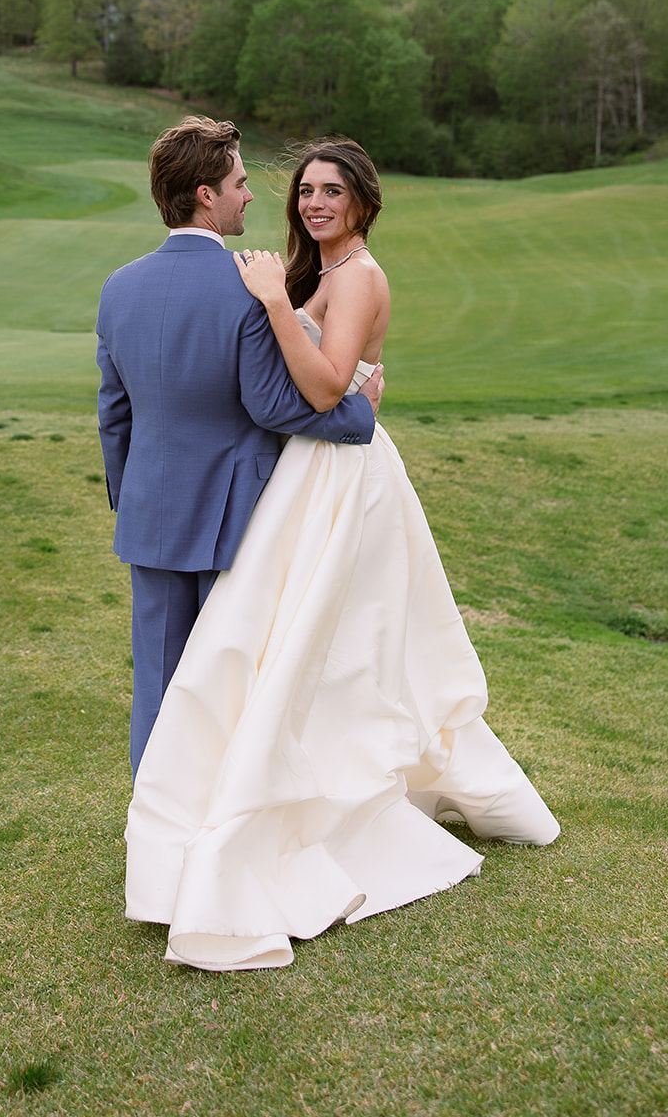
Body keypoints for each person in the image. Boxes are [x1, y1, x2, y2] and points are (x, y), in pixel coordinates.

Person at [125, 137, 560, 971]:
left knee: (325, 640)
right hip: (305, 471)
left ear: (362, 201)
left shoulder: (357, 276)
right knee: (285, 636)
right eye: (304, 192)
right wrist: (287, 306)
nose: (312, 203)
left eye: (331, 191)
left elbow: (325, 388)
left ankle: (320, 797)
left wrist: (275, 307)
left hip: (339, 474)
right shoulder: (318, 273)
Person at [96, 118, 384, 777]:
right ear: (206, 194)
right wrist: (357, 417)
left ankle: (154, 827)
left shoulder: (118, 289)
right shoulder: (251, 284)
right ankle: (217, 827)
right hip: (236, 519)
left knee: (159, 684)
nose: (250, 196)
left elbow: (115, 415)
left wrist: (128, 495)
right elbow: (273, 404)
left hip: (150, 517)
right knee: (233, 681)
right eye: (240, 183)